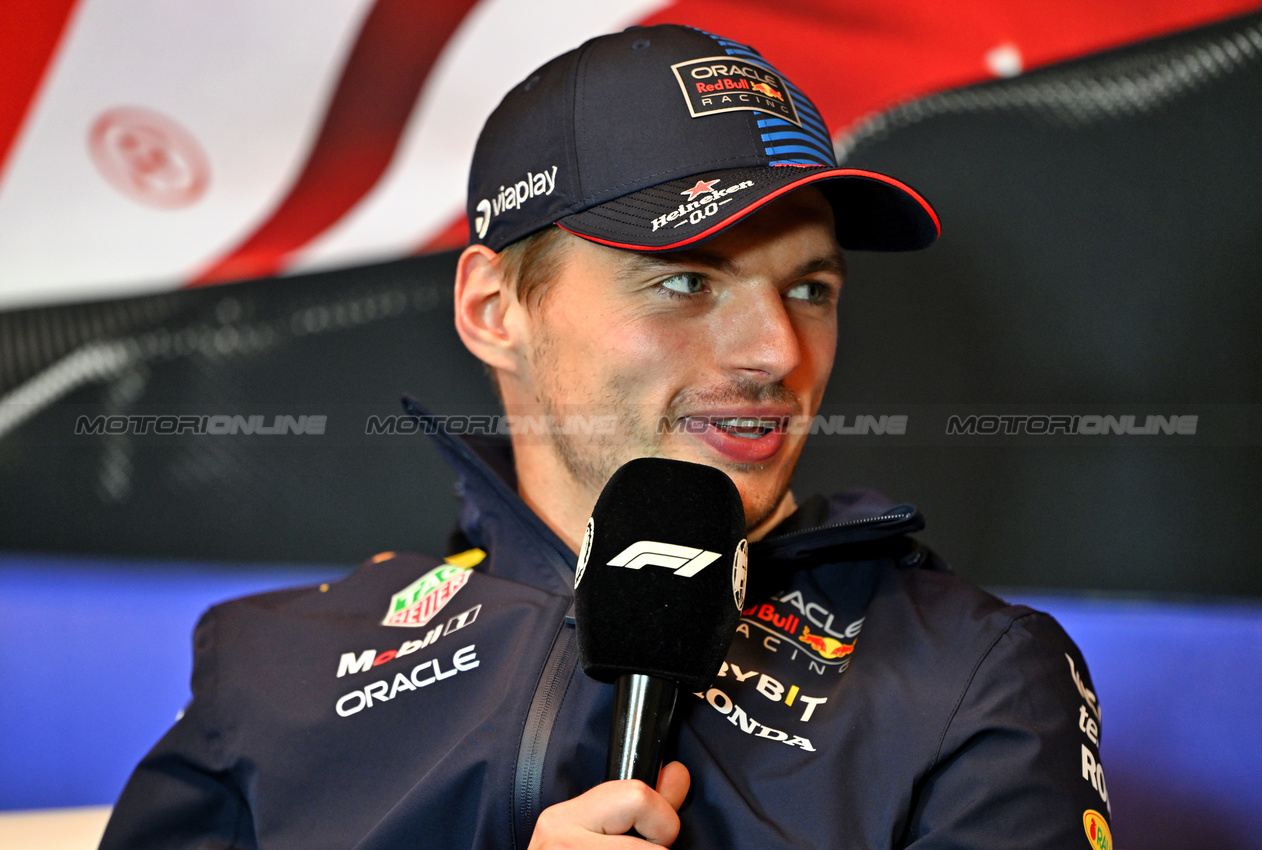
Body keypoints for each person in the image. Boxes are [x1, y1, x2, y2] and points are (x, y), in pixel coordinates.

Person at [100, 24, 1113, 850]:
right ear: (496, 308)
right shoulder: (276, 663)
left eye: (810, 287)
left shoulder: (970, 674)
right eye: (687, 279)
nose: (775, 351)